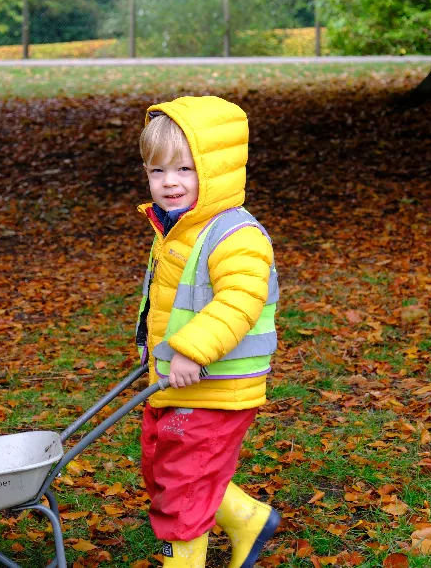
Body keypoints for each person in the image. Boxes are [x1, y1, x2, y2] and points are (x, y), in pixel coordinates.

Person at [135, 96, 281, 568]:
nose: (169, 182)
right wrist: (151, 348)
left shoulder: (237, 236)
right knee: (164, 468)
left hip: (217, 384)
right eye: (157, 172)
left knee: (182, 484)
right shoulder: (177, 230)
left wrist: (192, 350)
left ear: (215, 171)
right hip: (177, 380)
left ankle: (184, 560)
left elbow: (239, 300)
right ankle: (246, 518)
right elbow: (166, 303)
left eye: (184, 169)